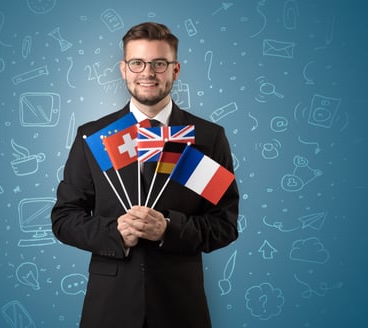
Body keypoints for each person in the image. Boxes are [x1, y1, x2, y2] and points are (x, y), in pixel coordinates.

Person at [51, 22, 239, 328]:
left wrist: (168, 229)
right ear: (124, 69)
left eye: (159, 64)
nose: (148, 73)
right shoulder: (94, 137)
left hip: (180, 306)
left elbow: (225, 224)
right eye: (137, 63)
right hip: (109, 306)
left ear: (175, 70)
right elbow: (64, 218)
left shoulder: (207, 137)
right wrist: (115, 232)